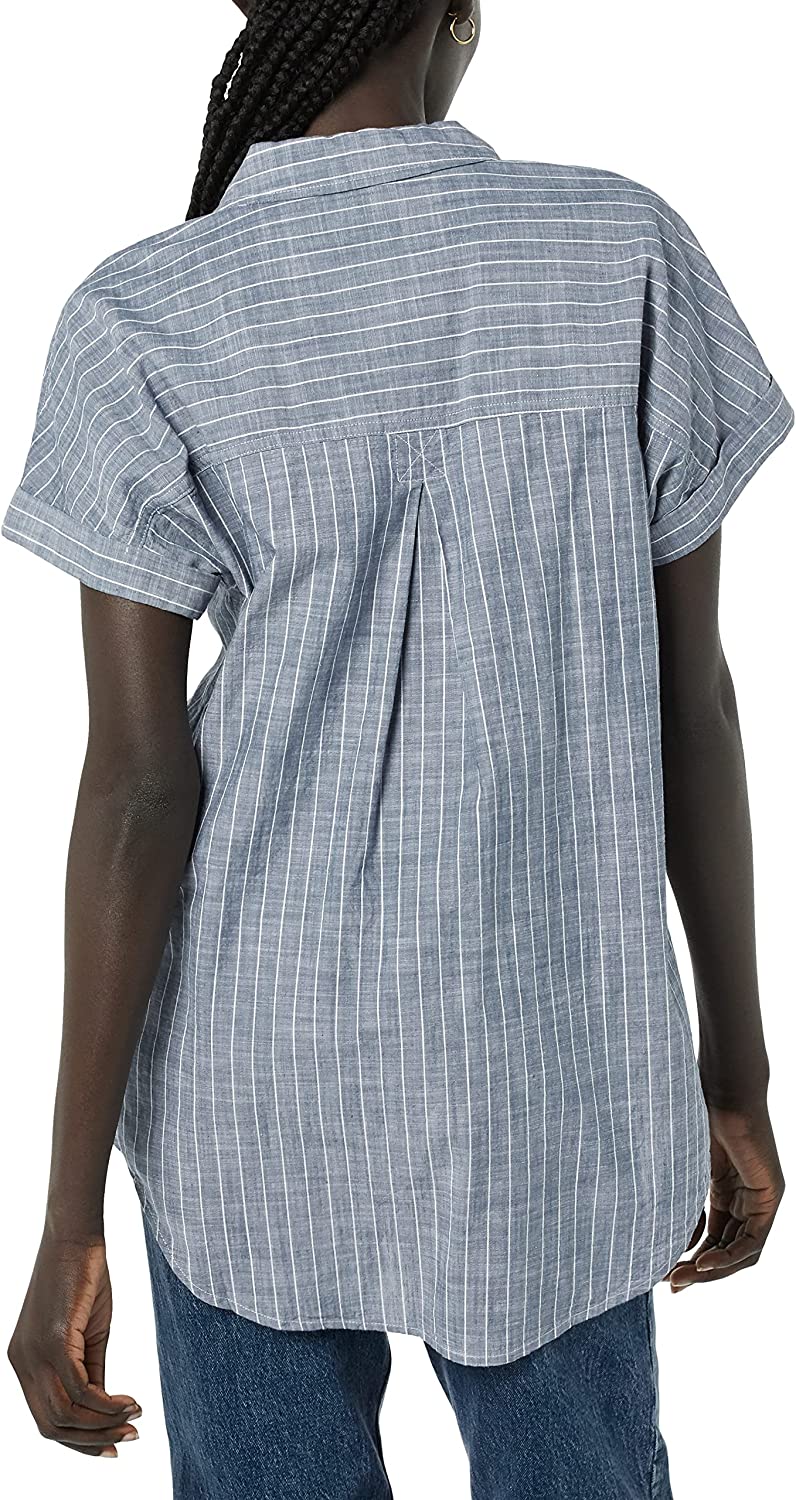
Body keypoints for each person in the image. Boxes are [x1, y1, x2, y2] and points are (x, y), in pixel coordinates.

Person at [3, 2, 791, 1495]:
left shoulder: (147, 311)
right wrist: (733, 1073)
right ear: (454, 14)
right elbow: (691, 704)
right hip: (557, 1076)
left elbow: (137, 787)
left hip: (249, 1088)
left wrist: (66, 1215)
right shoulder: (615, 251)